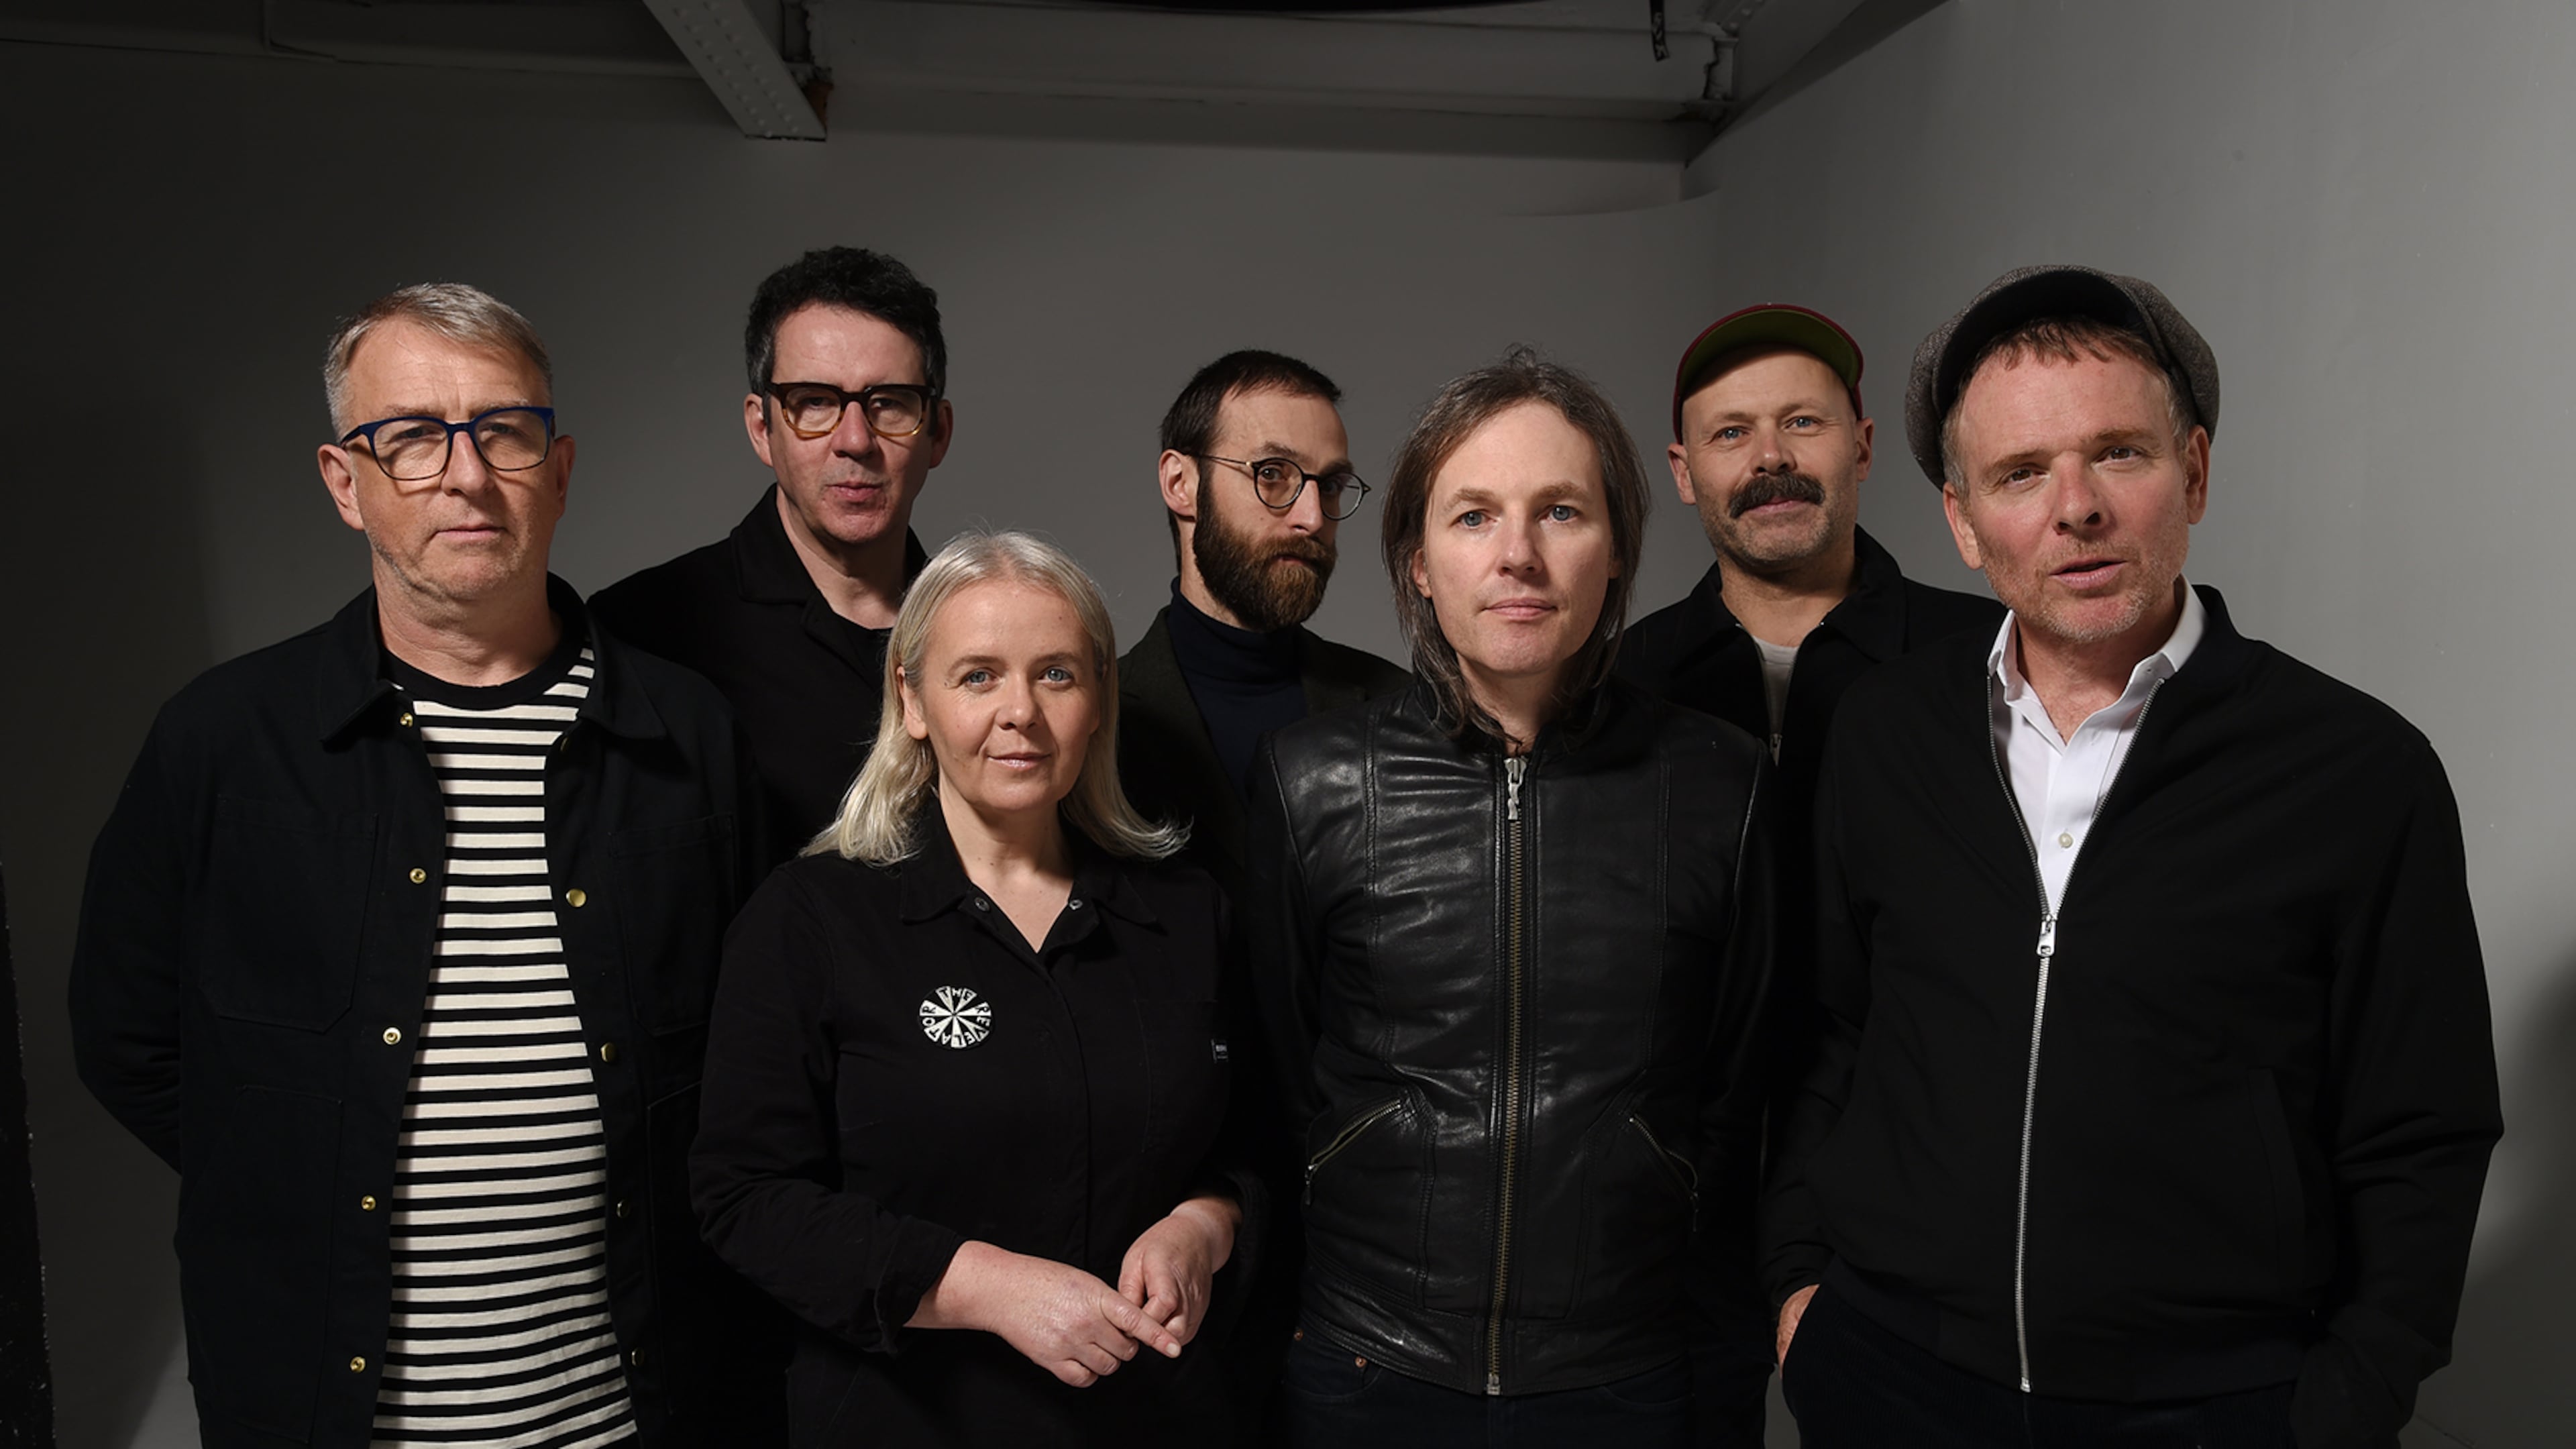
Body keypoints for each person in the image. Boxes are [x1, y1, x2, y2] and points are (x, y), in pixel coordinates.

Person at [1762, 266, 2501, 1449]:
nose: (2077, 508)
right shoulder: (1886, 732)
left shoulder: (2358, 769)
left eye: (2119, 454)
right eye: (2020, 474)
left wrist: (2349, 1400)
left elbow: (2423, 1127)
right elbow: (1835, 1030)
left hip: (2210, 1409)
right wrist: (1804, 1286)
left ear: (2194, 471)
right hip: (1889, 1377)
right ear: (1962, 519)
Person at [68, 283, 767, 1446]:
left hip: (634, 1411)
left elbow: (760, 1043)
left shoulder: (688, 737)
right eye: (411, 439)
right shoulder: (224, 742)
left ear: (559, 465)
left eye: (503, 430)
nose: (466, 474)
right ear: (347, 483)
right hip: (325, 1412)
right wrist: (303, 1153)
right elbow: (125, 1036)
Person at [1248, 350, 1776, 1446]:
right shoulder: (1313, 783)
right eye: (1475, 516)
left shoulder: (1721, 786)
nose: (1519, 557)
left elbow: (1738, 1089)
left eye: (1562, 512)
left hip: (1628, 1372)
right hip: (1370, 1364)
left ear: (1618, 550)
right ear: (1420, 561)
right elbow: (1285, 1072)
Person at [691, 531, 1258, 1446]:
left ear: (1100, 698)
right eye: (978, 676)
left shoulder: (1189, 914)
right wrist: (983, 1286)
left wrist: (1206, 1225)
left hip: (1158, 1421)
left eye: (1058, 675)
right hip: (906, 1420)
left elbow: (1257, 1146)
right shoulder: (810, 919)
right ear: (912, 699)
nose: (1020, 713)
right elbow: (743, 1197)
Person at [1616, 303, 2000, 1443]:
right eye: (1732, 434)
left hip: (1925, 1183)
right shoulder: (1620, 686)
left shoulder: (1985, 662)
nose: (1771, 456)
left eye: (1801, 423)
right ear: (1685, 473)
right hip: (1670, 1195)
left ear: (1865, 445)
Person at [1115, 350, 1409, 1436]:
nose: (1312, 513)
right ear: (1180, 483)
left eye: (1332, 486)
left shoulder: (1394, 713)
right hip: (1162, 1256)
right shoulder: (1084, 725)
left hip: (1372, 1256)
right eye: (1275, 476)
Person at [592, 246, 952, 868]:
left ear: (938, 432)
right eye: (814, 403)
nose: (855, 441)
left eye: (889, 403)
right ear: (762, 428)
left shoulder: (985, 631)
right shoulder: (638, 634)